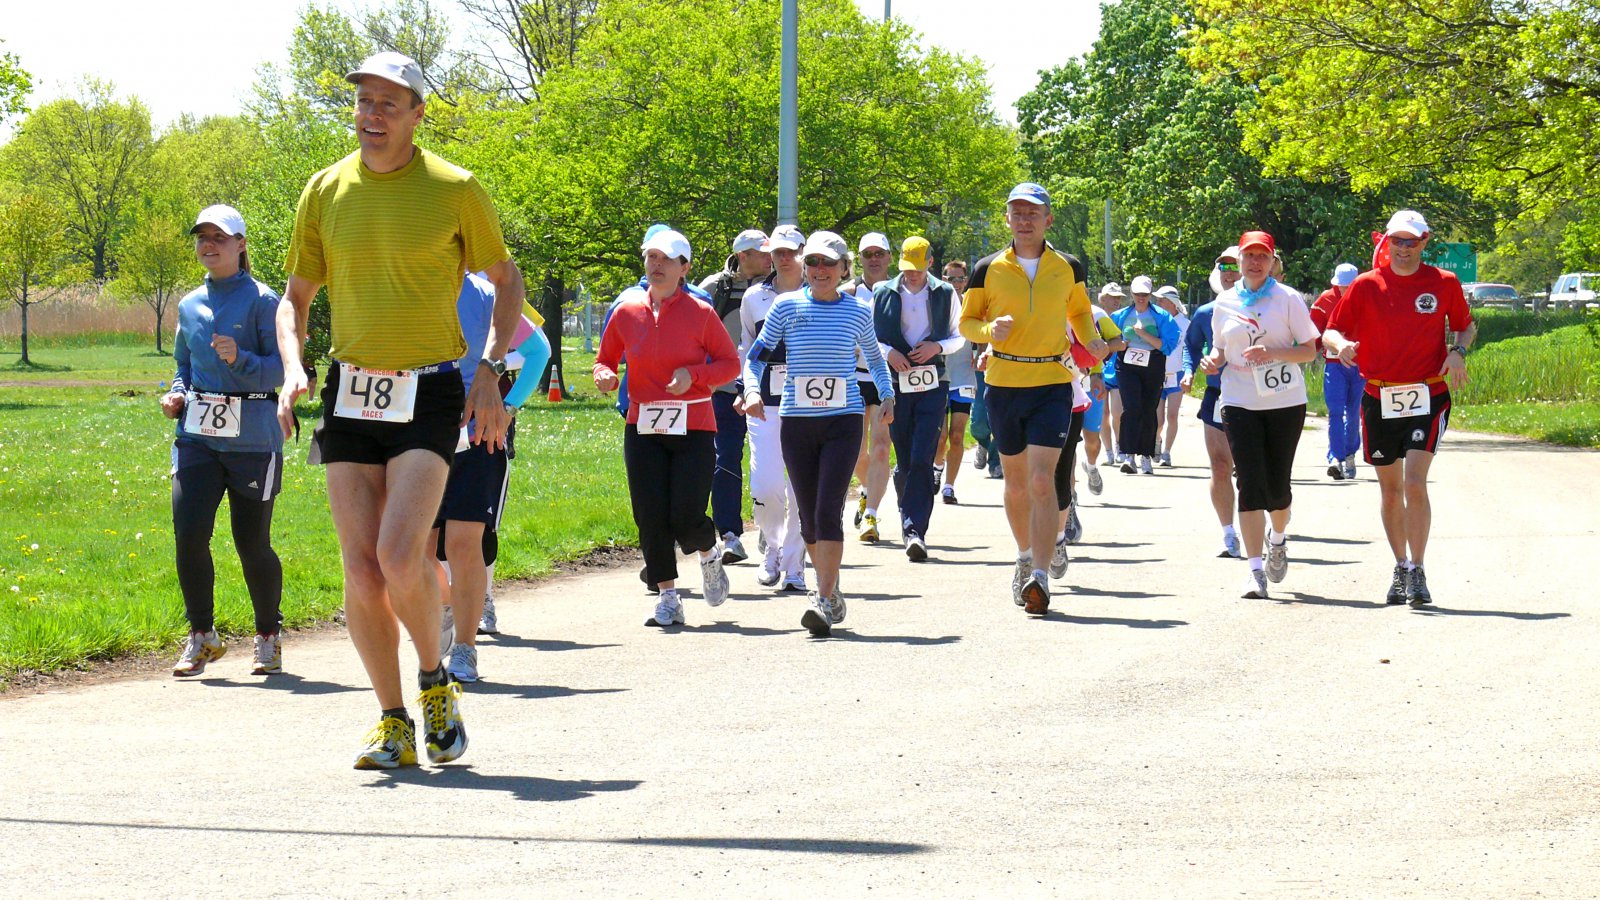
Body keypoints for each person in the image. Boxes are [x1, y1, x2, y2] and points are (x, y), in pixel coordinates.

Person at [276, 52, 526, 769]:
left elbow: (507, 281)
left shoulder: (455, 188)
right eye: (364, 102)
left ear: (417, 114)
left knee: (398, 554)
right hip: (351, 391)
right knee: (361, 570)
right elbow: (295, 301)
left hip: (429, 390)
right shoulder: (325, 189)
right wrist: (292, 368)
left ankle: (434, 680)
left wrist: (490, 368)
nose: (373, 115)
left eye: (390, 104)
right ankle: (392, 721)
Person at [959, 182, 1108, 615]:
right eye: (1017, 213)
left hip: (1052, 381)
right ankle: (1024, 555)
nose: (1025, 220)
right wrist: (989, 331)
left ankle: (1040, 576)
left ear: (1048, 220)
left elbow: (1078, 310)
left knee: (1043, 480)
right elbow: (967, 322)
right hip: (1004, 383)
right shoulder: (986, 268)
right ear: (1007, 219)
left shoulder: (1068, 266)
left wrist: (1091, 340)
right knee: (1017, 482)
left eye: (1033, 213)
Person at [745, 231, 895, 636]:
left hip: (842, 421)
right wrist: (752, 389)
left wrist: (887, 394)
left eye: (829, 262)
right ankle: (830, 581)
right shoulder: (786, 306)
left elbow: (875, 358)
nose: (820, 270)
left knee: (828, 509)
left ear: (845, 268)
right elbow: (756, 357)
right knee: (808, 517)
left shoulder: (857, 311)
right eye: (812, 262)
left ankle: (823, 597)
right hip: (797, 422)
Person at [1324, 209, 1474, 607]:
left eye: (1411, 241)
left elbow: (1465, 325)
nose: (1403, 248)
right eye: (1397, 241)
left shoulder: (1444, 282)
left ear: (1425, 242)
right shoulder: (1365, 285)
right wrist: (1342, 345)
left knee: (1414, 483)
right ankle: (1401, 566)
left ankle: (1418, 569)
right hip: (1379, 396)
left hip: (1428, 393)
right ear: (1386, 243)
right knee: (1390, 492)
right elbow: (1331, 330)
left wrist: (1458, 351)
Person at [594, 229, 741, 627]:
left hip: (693, 424)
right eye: (651, 257)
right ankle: (668, 597)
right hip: (642, 425)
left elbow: (730, 365)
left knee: (686, 517)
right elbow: (604, 359)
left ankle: (708, 553)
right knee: (649, 515)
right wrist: (604, 375)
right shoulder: (626, 311)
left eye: (667, 259)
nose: (657, 265)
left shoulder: (701, 312)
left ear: (684, 268)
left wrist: (693, 375)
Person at [163, 205, 286, 678]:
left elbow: (284, 369)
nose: (209, 244)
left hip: (252, 438)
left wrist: (242, 360)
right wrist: (177, 394)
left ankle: (268, 636)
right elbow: (184, 365)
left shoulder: (264, 301)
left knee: (251, 543)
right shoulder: (190, 304)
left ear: (241, 244)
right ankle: (202, 635)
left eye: (220, 236)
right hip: (197, 437)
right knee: (189, 534)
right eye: (202, 236)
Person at [428, 273, 544, 682]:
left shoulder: (488, 294)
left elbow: (538, 351)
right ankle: (447, 603)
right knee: (418, 551)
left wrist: (508, 408)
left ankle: (466, 648)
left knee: (463, 543)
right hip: (419, 436)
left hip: (477, 438)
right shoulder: (406, 282)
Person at [1198, 230, 1320, 600]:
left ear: (1272, 261)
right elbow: (1220, 348)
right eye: (1249, 255)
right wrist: (1212, 361)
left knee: (1278, 488)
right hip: (1238, 398)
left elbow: (1309, 350)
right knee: (1249, 483)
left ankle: (1277, 539)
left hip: (1284, 400)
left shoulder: (1287, 298)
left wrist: (1273, 353)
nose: (1255, 262)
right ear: (1238, 260)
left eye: (1262, 256)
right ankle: (1254, 571)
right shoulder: (1225, 301)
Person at [872, 236, 964, 561]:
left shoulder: (945, 292)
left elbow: (959, 336)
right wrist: (890, 353)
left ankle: (915, 532)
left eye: (917, 268)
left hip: (933, 383)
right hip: (895, 385)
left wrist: (937, 347)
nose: (911, 274)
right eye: (906, 269)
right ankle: (908, 510)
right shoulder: (882, 292)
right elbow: (869, 338)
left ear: (930, 263)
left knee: (923, 454)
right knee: (905, 459)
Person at [738, 224, 809, 592]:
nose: (784, 258)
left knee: (800, 489)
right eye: (778, 252)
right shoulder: (754, 297)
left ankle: (795, 565)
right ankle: (772, 548)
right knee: (766, 486)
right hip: (764, 404)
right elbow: (747, 348)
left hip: (810, 405)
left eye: (791, 251)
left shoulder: (819, 294)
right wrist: (745, 389)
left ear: (803, 253)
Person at [699, 229, 772, 565]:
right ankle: (730, 534)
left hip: (770, 393)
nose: (770, 258)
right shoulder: (715, 288)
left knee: (770, 463)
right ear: (743, 256)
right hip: (724, 392)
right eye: (762, 253)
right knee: (725, 460)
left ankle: (771, 528)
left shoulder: (779, 285)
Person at [1182, 245, 1244, 558]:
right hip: (1218, 395)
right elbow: (1191, 346)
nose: (1229, 273)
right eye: (1224, 267)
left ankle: (1271, 526)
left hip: (1257, 397)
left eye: (1234, 266)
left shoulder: (1268, 307)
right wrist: (1189, 370)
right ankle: (1229, 534)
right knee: (1220, 466)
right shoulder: (1206, 312)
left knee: (1252, 470)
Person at [1109, 275, 1181, 475]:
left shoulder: (1162, 316)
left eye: (1145, 294)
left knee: (1149, 409)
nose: (1141, 298)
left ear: (1150, 294)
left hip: (1153, 364)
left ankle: (1146, 456)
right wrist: (1120, 344)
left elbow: (1167, 346)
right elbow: (1111, 340)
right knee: (1131, 408)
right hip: (1127, 365)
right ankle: (1129, 455)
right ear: (1131, 294)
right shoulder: (1120, 315)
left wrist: (1144, 334)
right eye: (1137, 294)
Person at [849, 232, 895, 540]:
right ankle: (867, 489)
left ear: (889, 257)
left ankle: (871, 516)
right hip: (852, 377)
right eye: (868, 254)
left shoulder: (900, 291)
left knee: (880, 447)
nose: (874, 259)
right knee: (854, 451)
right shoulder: (847, 292)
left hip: (884, 378)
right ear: (860, 258)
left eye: (880, 253)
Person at [1310, 263, 1364, 481]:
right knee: (1335, 412)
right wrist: (1307, 351)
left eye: (1349, 286)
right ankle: (1336, 458)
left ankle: (1350, 454)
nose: (1345, 290)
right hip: (1334, 364)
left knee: (1354, 413)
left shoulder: (1367, 298)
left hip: (1360, 365)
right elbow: (1314, 330)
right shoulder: (1324, 300)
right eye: (1342, 286)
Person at [1074, 295, 1128, 505]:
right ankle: (1069, 493)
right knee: (1066, 443)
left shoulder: (1096, 314)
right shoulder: (1050, 311)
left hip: (1091, 384)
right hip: (1062, 384)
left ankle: (1091, 466)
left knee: (1091, 440)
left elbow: (1120, 342)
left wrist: (1102, 347)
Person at [934, 259, 977, 503]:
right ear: (944, 279)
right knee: (940, 437)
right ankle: (937, 467)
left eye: (960, 278)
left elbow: (984, 333)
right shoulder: (936, 303)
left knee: (957, 435)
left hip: (964, 377)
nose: (957, 283)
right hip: (939, 376)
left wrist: (982, 352)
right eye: (951, 278)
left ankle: (949, 487)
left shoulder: (973, 304)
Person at [1152, 284, 1190, 467]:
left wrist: (1189, 372)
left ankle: (1167, 452)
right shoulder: (1157, 321)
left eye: (1162, 300)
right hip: (1158, 375)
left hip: (1177, 374)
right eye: (1158, 300)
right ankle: (1156, 441)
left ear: (1172, 303)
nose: (1158, 303)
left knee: (1172, 416)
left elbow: (1189, 350)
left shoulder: (1185, 324)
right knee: (1158, 420)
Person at [1096, 283, 1127, 465]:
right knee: (1102, 413)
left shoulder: (1122, 317)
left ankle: (1120, 446)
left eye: (1119, 297)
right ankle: (1108, 452)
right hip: (1097, 370)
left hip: (1117, 370)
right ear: (1103, 298)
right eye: (1113, 297)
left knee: (1118, 412)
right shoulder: (1095, 317)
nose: (1116, 300)